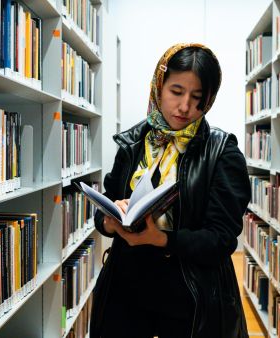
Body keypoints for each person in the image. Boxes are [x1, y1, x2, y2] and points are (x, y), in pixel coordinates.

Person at [89, 43, 251, 338]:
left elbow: (221, 238)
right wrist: (109, 221)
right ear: (159, 86)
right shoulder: (133, 143)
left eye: (197, 97)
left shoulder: (222, 151)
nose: (185, 106)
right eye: (176, 92)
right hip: (125, 291)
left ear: (208, 99)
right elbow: (106, 205)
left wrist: (162, 239)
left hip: (189, 297)